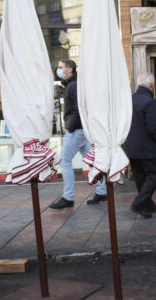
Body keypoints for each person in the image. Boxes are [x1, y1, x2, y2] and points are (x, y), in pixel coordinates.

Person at [50, 60, 107, 209]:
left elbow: (77, 110)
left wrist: (69, 127)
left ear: (69, 69)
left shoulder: (73, 85)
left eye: (61, 67)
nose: (59, 70)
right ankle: (102, 192)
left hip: (76, 129)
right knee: (93, 161)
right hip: (80, 129)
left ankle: (68, 197)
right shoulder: (73, 84)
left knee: (64, 161)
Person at [125, 73, 156, 219]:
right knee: (155, 174)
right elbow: (153, 127)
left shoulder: (130, 99)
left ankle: (148, 205)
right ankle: (138, 203)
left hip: (132, 146)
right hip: (148, 147)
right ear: (151, 86)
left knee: (140, 176)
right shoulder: (150, 102)